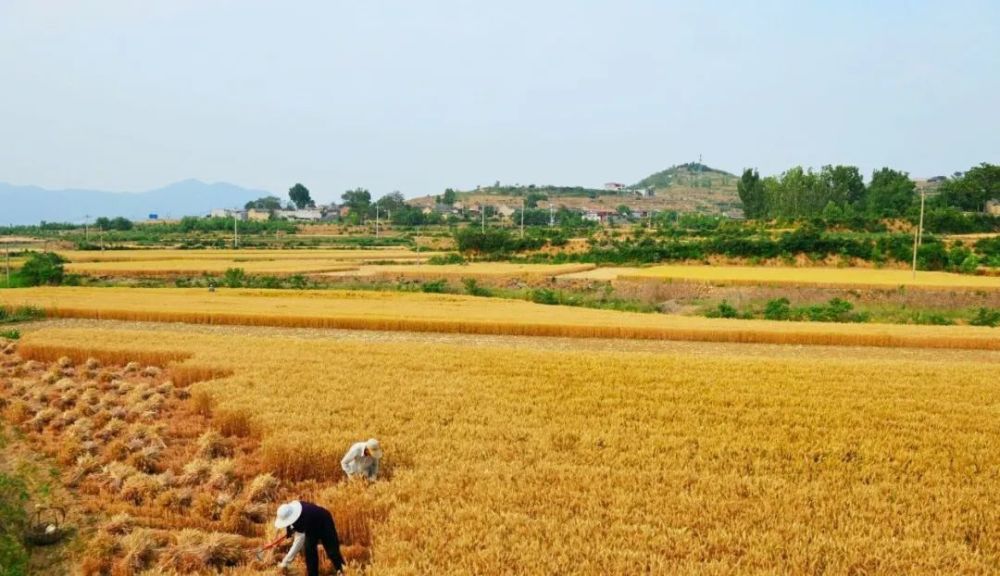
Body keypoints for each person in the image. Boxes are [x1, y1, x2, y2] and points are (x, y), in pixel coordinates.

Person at [265, 500, 345, 575]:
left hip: (324, 521)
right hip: (311, 526)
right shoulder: (293, 512)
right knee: (309, 551)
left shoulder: (303, 518)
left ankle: (342, 570)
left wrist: (285, 562)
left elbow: (298, 542)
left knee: (332, 550)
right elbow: (293, 528)